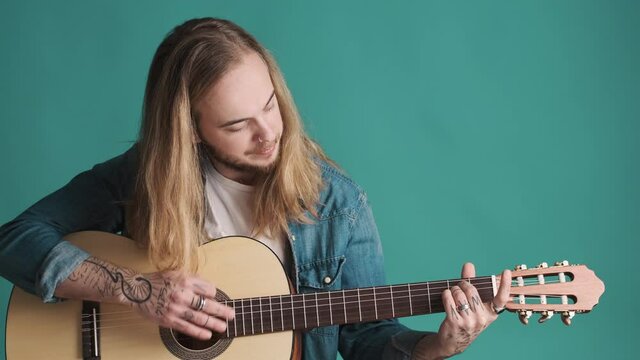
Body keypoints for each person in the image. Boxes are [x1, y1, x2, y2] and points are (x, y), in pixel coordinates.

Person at [0, 17, 511, 359]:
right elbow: (14, 239)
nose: (269, 134)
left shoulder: (337, 204)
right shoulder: (142, 177)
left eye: (270, 105)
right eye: (236, 124)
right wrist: (136, 292)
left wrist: (437, 347)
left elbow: (367, 339)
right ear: (190, 129)